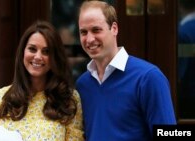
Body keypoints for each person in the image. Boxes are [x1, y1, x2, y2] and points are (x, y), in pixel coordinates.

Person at [0, 20, 84, 141]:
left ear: (55, 57)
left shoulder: (69, 100)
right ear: (22, 52)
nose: (38, 57)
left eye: (46, 51)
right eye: (32, 49)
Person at [75, 1, 176, 141]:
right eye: (83, 32)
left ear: (114, 28)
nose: (90, 39)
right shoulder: (83, 84)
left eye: (96, 30)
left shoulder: (149, 78)